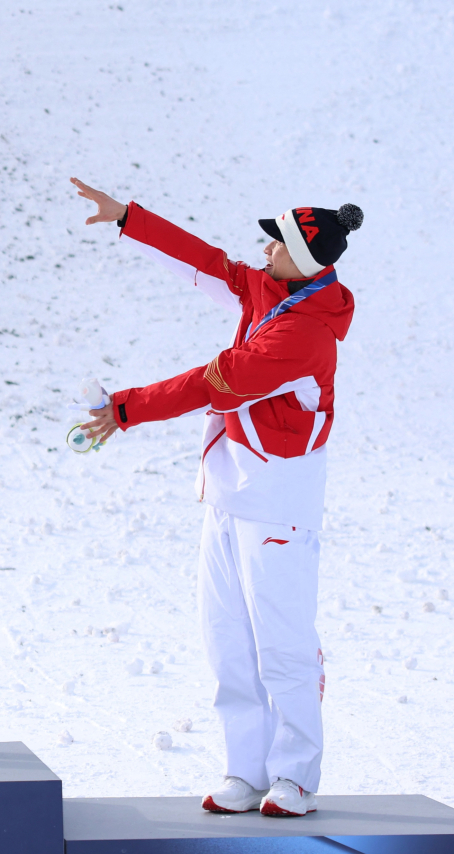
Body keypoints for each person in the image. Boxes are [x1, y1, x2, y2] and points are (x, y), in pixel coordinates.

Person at [71, 177, 362, 817]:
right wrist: (128, 218)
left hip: (278, 502)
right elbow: (206, 264)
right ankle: (246, 770)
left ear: (304, 260)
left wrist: (124, 409)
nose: (265, 251)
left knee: (282, 642)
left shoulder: (304, 336)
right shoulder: (273, 290)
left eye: (277, 244)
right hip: (229, 492)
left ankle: (295, 776)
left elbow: (217, 382)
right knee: (227, 638)